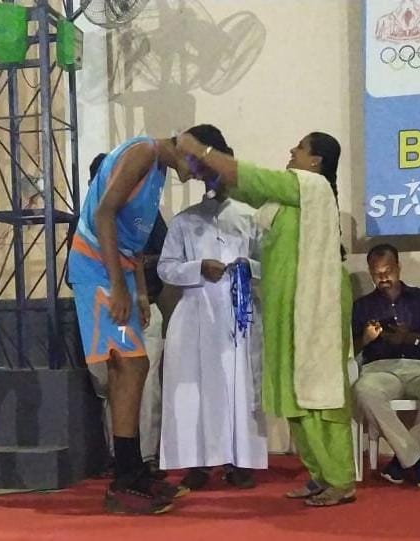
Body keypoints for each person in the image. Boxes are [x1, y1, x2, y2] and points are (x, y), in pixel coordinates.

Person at [175, 130, 356, 507]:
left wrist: (199, 148)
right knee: (294, 393)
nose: (292, 149)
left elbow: (248, 176)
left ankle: (341, 480)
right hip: (287, 308)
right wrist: (204, 168)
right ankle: (319, 475)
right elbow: (238, 186)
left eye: (300, 147)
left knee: (321, 394)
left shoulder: (311, 187)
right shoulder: (286, 199)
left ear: (316, 161)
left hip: (315, 306)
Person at [68, 125, 221, 515]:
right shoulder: (143, 153)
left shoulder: (158, 171)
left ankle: (132, 471)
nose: (198, 177)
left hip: (116, 271)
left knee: (133, 368)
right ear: (190, 148)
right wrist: (118, 286)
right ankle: (124, 479)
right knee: (131, 366)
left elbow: (132, 242)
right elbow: (104, 213)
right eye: (201, 168)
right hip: (96, 269)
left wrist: (137, 291)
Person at [156, 133, 268, 493]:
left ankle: (241, 460)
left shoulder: (252, 218)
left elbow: (270, 265)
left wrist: (246, 265)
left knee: (240, 387)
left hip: (238, 312)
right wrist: (197, 267)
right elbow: (165, 267)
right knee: (195, 389)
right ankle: (198, 461)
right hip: (196, 313)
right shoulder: (185, 221)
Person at [78, 153, 171, 479]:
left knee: (139, 376)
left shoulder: (140, 210)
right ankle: (123, 461)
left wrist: (140, 292)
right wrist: (117, 285)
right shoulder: (92, 217)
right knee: (114, 381)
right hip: (105, 302)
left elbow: (146, 254)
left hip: (139, 304)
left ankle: (141, 460)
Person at [351, 243, 420, 487]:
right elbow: (349, 349)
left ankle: (403, 460)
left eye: (387, 271)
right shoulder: (363, 305)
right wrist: (366, 338)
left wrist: (411, 338)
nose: (383, 278)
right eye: (376, 273)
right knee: (364, 390)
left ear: (399, 267)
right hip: (381, 369)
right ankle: (417, 460)